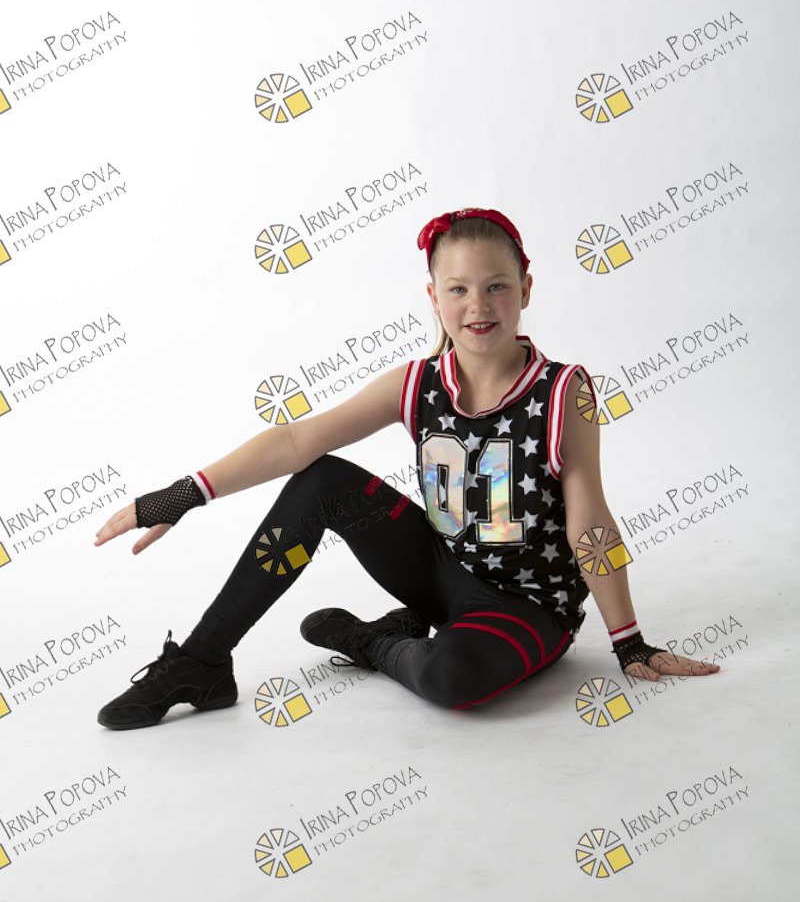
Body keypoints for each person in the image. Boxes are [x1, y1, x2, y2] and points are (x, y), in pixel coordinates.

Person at [94, 207, 719, 729]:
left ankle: (377, 643)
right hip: (440, 572)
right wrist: (182, 495)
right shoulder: (417, 383)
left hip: (527, 605)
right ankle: (203, 662)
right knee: (320, 479)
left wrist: (629, 641)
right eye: (459, 289)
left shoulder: (563, 392)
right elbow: (295, 440)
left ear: (526, 289)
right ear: (434, 297)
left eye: (497, 286)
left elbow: (591, 523)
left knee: (453, 681)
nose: (478, 305)